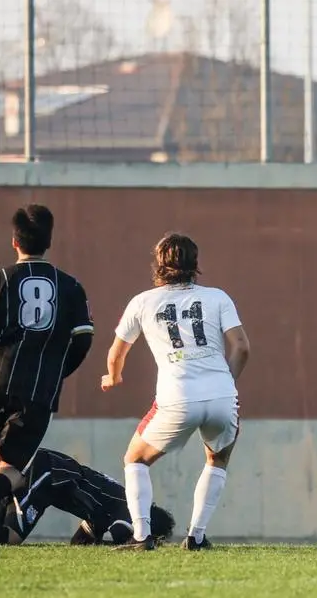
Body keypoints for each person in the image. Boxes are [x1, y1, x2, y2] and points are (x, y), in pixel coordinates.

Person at [0, 204, 94, 558]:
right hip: (37, 387)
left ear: (15, 241)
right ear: (50, 240)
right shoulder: (71, 286)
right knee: (14, 468)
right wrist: (60, 370)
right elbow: (84, 338)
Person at [101, 233, 250, 551]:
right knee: (217, 459)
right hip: (222, 394)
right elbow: (241, 347)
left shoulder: (142, 302)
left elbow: (116, 354)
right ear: (195, 264)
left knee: (135, 459)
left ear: (158, 263)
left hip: (177, 397)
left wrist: (112, 377)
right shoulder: (217, 297)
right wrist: (227, 382)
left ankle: (142, 537)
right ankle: (196, 537)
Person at [0, 448, 175, 547]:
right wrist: (142, 542)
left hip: (52, 472)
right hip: (54, 475)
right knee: (11, 535)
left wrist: (93, 535)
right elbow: (120, 536)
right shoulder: (130, 514)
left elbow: (79, 542)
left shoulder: (120, 502)